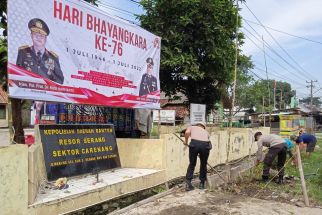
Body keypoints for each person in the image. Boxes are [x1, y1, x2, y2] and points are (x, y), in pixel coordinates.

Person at [16, 18, 64, 84]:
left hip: (47, 93)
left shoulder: (53, 57)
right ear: (31, 36)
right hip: (27, 92)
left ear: (45, 39)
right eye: (36, 35)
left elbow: (60, 80)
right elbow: (17, 74)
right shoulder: (23, 52)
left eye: (42, 36)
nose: (39, 38)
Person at [184, 122, 212, 191]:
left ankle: (188, 184)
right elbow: (209, 144)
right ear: (203, 127)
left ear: (197, 125)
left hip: (194, 144)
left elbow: (187, 133)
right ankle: (202, 184)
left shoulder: (191, 127)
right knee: (203, 164)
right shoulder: (206, 132)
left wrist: (186, 141)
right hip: (205, 145)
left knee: (192, 163)